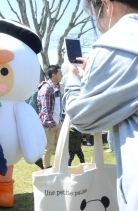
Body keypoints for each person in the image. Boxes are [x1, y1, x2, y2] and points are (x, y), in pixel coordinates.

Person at [63, 0, 138, 210]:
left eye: (96, 18)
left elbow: (82, 119)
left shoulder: (118, 42)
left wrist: (73, 78)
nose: (99, 26)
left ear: (107, 6)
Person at [37, 65, 64, 169]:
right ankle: (46, 167)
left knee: (60, 146)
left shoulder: (57, 87)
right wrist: (52, 124)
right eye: (60, 73)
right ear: (53, 75)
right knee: (49, 147)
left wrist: (60, 121)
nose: (62, 75)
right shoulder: (46, 88)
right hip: (50, 124)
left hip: (58, 122)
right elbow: (45, 109)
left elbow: (58, 107)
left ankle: (58, 167)